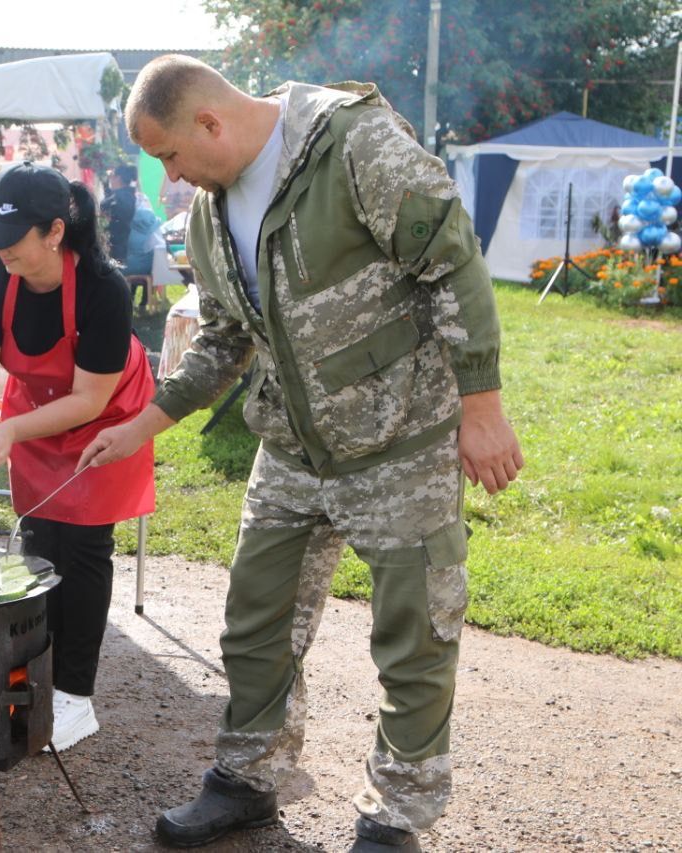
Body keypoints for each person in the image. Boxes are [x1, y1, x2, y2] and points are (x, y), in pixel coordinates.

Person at [78, 55, 524, 852]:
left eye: (172, 157)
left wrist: (482, 407)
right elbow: (220, 338)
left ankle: (395, 819)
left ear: (210, 122)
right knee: (256, 623)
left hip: (398, 439)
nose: (172, 178)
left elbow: (453, 260)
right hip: (291, 445)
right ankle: (248, 779)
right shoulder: (210, 215)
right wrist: (144, 424)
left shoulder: (354, 143)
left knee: (414, 634)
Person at [0, 162, 156, 752]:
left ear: (54, 233)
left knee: (82, 550)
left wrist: (13, 429)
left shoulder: (103, 288)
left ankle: (76, 700)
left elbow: (90, 397)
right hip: (33, 414)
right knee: (39, 544)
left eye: (12, 240)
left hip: (106, 416)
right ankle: (36, 680)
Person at [100, 163, 138, 267]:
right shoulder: (129, 195)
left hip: (117, 245)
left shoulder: (120, 198)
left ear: (118, 178)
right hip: (123, 245)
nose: (110, 178)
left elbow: (105, 206)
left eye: (112, 175)